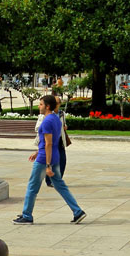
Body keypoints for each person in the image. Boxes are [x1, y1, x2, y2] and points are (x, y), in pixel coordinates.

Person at [13, 94, 86, 225]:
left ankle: (27, 215)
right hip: (53, 156)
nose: (39, 106)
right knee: (60, 186)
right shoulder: (56, 118)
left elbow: (48, 143)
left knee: (32, 186)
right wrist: (37, 151)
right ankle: (77, 211)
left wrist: (47, 165)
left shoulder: (46, 121)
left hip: (44, 159)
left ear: (47, 106)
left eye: (41, 104)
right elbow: (49, 142)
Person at [35, 104, 69, 188]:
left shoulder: (62, 114)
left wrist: (64, 127)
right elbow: (37, 127)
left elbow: (63, 124)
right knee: (49, 161)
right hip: (49, 140)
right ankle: (49, 180)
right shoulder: (46, 115)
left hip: (60, 140)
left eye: (57, 103)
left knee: (62, 160)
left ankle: (58, 179)